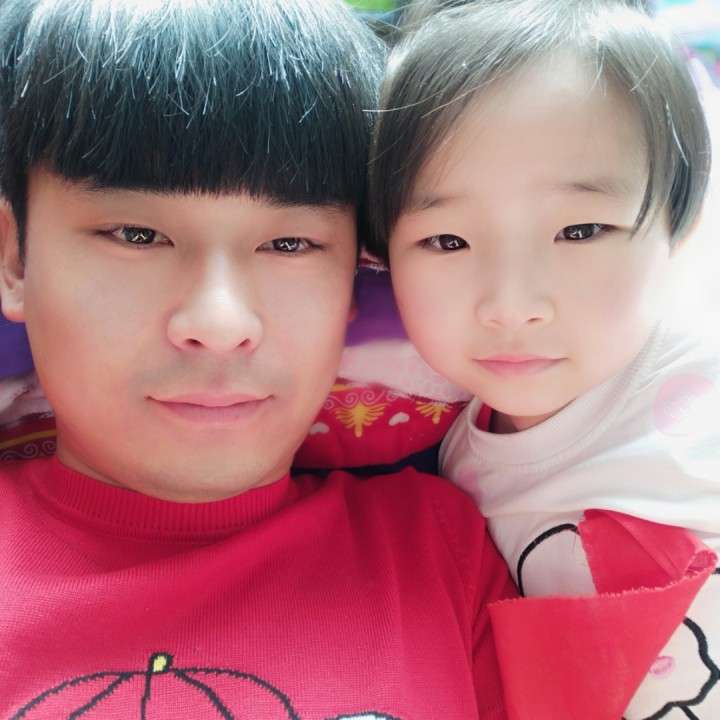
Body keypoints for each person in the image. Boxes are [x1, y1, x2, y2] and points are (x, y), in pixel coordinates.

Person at [0, 0, 522, 717]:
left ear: (356, 277)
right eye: (136, 235)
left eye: (289, 244)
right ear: (15, 258)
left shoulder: (438, 551)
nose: (220, 325)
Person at [368, 0, 720, 717]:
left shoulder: (702, 387)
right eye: (447, 242)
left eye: (580, 230)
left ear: (677, 227)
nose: (512, 304)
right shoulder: (446, 463)